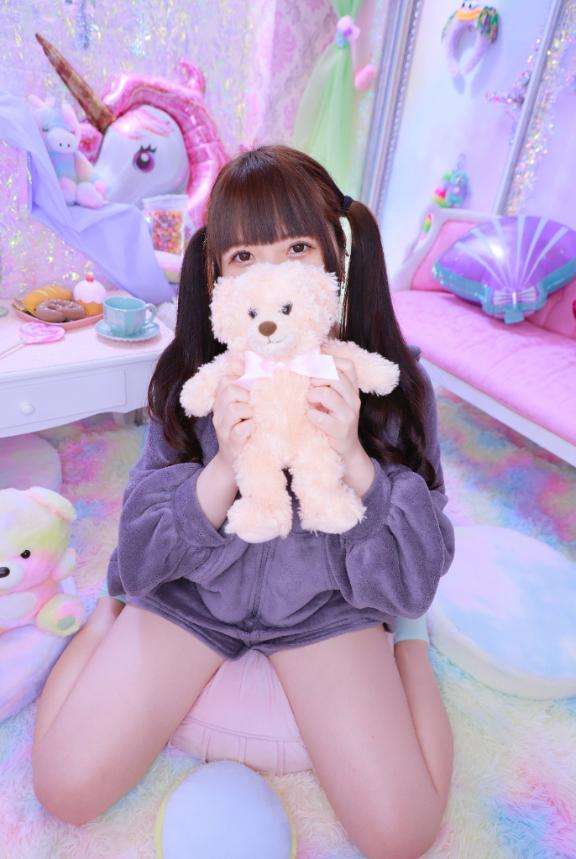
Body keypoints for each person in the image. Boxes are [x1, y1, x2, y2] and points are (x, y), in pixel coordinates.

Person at [32, 145, 455, 858]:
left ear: (338, 259)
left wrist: (354, 460)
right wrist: (224, 464)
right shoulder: (191, 379)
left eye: (297, 248)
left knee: (402, 834)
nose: (273, 275)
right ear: (217, 277)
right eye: (244, 257)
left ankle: (411, 650)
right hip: (191, 597)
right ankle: (105, 621)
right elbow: (141, 546)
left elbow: (423, 563)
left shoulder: (392, 388)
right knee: (64, 789)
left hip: (328, 606)